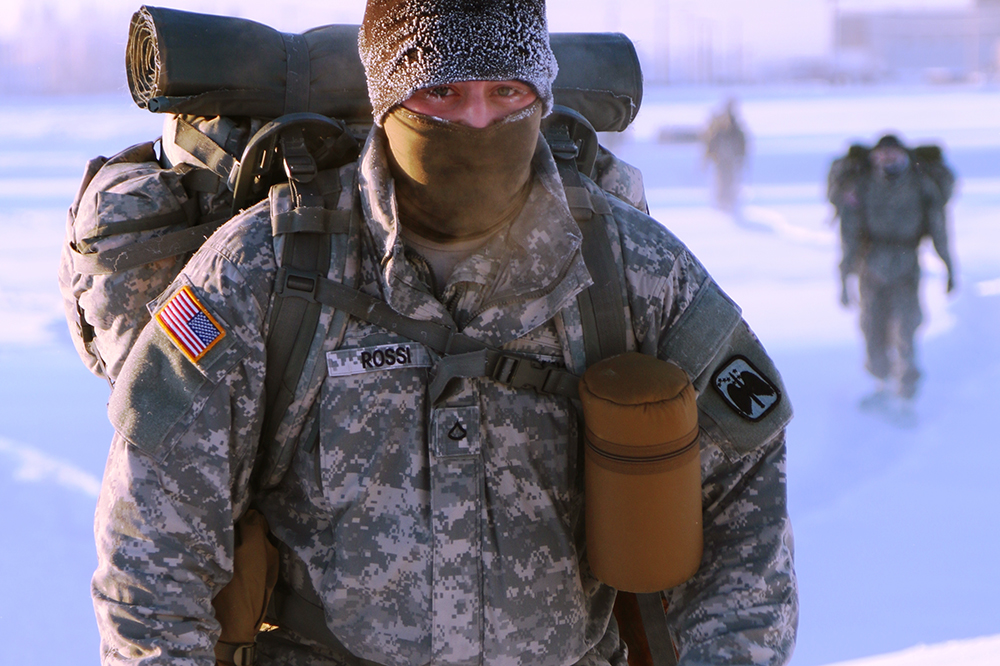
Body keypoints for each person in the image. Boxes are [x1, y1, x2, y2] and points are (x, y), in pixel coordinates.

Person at [91, 2, 797, 665]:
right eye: (443, 95)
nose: (480, 122)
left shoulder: (635, 267)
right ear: (388, 101)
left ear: (543, 97)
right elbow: (152, 549)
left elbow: (748, 506)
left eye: (507, 92)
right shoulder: (265, 269)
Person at [829, 133, 956, 407]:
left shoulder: (921, 185)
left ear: (905, 157)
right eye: (881, 157)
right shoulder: (862, 186)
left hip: (906, 268)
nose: (887, 162)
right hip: (870, 267)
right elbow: (849, 235)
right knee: (872, 328)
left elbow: (939, 228)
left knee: (906, 328)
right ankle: (882, 385)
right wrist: (844, 277)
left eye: (893, 156)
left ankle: (907, 394)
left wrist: (949, 266)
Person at [702, 98, 748, 214]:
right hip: (721, 159)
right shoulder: (720, 126)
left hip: (729, 159)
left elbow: (741, 143)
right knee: (722, 179)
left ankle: (728, 200)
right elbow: (712, 142)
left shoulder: (735, 127)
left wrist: (741, 156)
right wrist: (708, 156)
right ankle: (722, 200)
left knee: (729, 179)